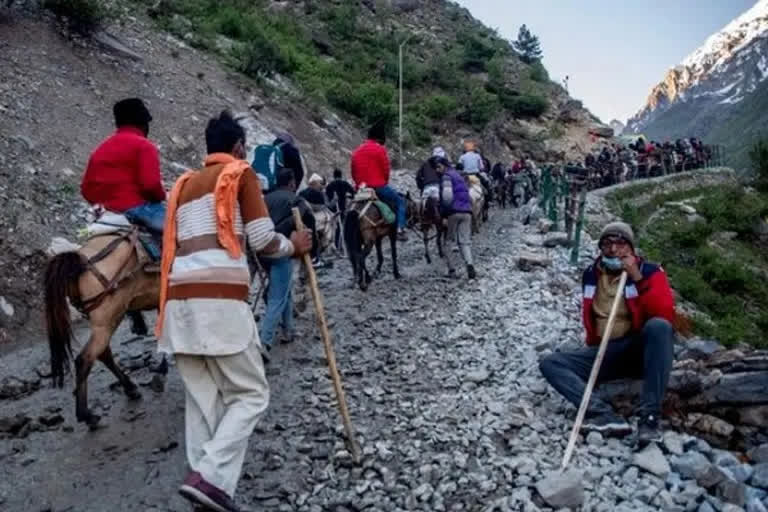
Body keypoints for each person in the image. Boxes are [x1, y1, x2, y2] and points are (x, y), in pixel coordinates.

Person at [156, 110, 312, 512]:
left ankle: (200, 485)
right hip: (219, 303)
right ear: (240, 147)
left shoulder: (184, 184)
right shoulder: (240, 174)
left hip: (178, 304)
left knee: (202, 400)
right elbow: (262, 239)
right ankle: (211, 479)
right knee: (251, 393)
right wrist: (294, 244)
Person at [538, 222, 675, 445]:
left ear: (631, 248)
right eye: (607, 244)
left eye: (620, 244)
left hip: (638, 349)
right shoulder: (592, 274)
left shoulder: (650, 272)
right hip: (605, 351)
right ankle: (602, 413)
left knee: (659, 326)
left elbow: (663, 314)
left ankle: (649, 418)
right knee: (551, 363)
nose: (613, 250)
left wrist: (637, 278)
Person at [81, 98, 166, 234]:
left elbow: (86, 189)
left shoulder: (100, 149)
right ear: (143, 124)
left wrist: (105, 203)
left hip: (103, 214)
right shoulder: (144, 145)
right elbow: (150, 185)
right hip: (135, 209)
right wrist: (162, 196)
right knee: (180, 234)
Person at [261, 168, 311, 355]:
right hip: (282, 250)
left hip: (262, 251)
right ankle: (264, 342)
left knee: (284, 291)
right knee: (277, 297)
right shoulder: (294, 199)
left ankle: (288, 329)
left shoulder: (266, 198)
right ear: (291, 183)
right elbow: (306, 215)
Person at [350, 121, 408, 241]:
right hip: (378, 186)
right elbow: (386, 170)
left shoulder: (357, 151)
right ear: (380, 138)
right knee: (400, 201)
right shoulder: (379, 149)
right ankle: (400, 230)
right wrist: (384, 182)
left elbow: (353, 171)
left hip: (361, 189)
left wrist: (358, 185)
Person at [436, 157, 476, 279]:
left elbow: (447, 197)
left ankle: (452, 270)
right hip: (467, 212)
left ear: (444, 166)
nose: (437, 170)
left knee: (448, 242)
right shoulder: (459, 176)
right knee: (464, 242)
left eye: (439, 167)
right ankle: (470, 265)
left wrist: (444, 215)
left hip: (454, 212)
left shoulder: (447, 177)